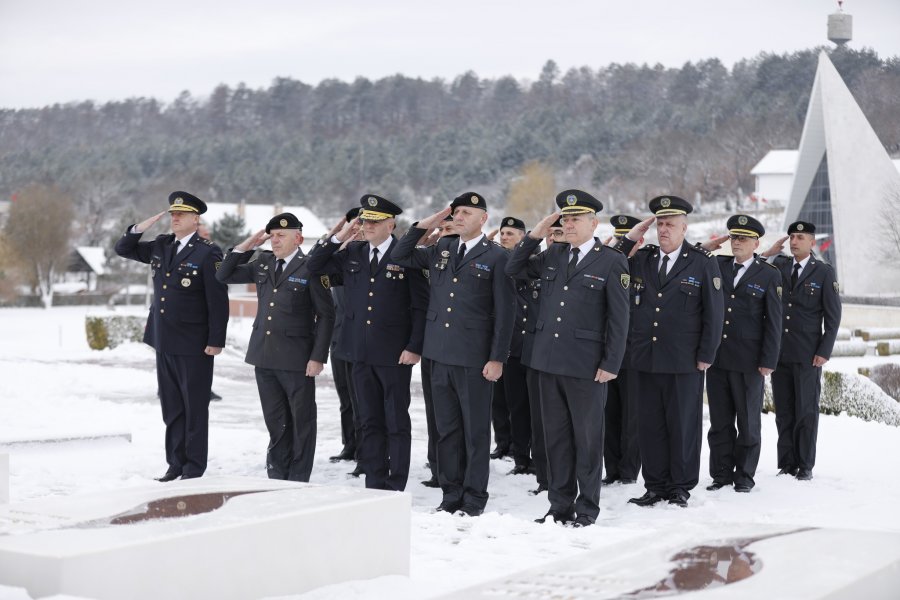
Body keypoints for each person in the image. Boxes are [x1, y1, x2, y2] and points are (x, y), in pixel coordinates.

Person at [506, 190, 630, 527]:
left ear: (594, 222)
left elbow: (619, 318)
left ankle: (587, 507)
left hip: (586, 365)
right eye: (565, 218)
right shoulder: (554, 255)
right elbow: (512, 267)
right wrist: (535, 234)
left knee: (587, 440)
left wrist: (611, 363)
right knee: (556, 439)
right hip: (548, 362)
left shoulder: (611, 260)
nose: (569, 224)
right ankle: (559, 505)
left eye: (576, 219)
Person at [391, 192, 515, 516]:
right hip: (437, 354)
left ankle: (474, 498)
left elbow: (505, 313)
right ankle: (450, 493)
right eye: (456, 212)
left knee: (474, 432)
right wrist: (428, 223)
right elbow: (401, 254)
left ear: (483, 218)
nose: (458, 217)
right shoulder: (443, 248)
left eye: (465, 213)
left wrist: (497, 358)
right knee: (445, 430)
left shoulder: (498, 257)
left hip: (474, 358)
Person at [307, 195, 428, 491]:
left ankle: (396, 480)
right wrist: (339, 237)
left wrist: (414, 346)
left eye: (374, 221)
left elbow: (420, 306)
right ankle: (374, 479)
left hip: (394, 354)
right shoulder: (354, 252)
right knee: (368, 418)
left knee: (396, 420)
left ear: (391, 223)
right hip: (358, 352)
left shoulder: (405, 254)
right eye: (364, 220)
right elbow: (314, 266)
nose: (367, 226)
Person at [616, 195, 724, 508]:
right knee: (649, 425)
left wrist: (707, 353)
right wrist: (632, 237)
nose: (664, 230)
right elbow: (613, 260)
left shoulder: (702, 262)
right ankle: (655, 484)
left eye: (670, 225)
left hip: (684, 360)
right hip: (646, 359)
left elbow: (713, 314)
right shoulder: (644, 258)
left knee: (682, 425)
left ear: (684, 228)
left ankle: (680, 485)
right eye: (660, 224)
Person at [114, 191, 229, 481]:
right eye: (172, 214)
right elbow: (123, 249)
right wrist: (143, 226)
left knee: (194, 408)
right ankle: (175, 464)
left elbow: (218, 300)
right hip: (163, 339)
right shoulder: (162, 245)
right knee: (172, 408)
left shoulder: (208, 252)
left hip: (194, 343)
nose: (175, 218)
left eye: (181, 214)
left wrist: (216, 340)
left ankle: (193, 467)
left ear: (195, 218)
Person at [215, 213, 335, 481]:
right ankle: (277, 472)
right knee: (275, 420)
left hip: (297, 358)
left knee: (301, 421)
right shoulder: (263, 263)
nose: (275, 240)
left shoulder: (310, 267)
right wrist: (247, 245)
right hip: (264, 354)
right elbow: (223, 275)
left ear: (299, 238)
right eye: (272, 235)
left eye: (281, 235)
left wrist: (318, 357)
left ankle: (298, 476)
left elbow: (326, 315)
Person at [705, 215, 782, 493]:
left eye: (743, 238)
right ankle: (721, 474)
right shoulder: (717, 265)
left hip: (749, 361)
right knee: (720, 422)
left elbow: (774, 322)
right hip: (718, 358)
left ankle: (745, 476)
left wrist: (768, 361)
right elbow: (692, 256)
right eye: (734, 237)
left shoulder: (769, 274)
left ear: (755, 243)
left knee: (748, 423)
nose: (736, 242)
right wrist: (711, 245)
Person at [764, 221, 841, 481]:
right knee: (784, 411)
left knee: (806, 411)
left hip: (808, 354)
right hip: (780, 353)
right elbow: (753, 269)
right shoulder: (780, 266)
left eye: (799, 237)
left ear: (811, 242)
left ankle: (805, 464)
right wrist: (769, 252)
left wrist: (824, 350)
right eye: (791, 237)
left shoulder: (823, 272)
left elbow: (833, 317)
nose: (793, 242)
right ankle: (787, 463)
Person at [520, 216, 563, 496]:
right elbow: (514, 266)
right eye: (550, 233)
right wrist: (534, 236)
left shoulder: (575, 265)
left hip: (564, 356)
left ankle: (564, 480)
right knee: (539, 422)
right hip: (534, 355)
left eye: (559, 233)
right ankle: (545, 478)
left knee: (562, 426)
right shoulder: (540, 263)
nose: (553, 238)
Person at [491, 216, 534, 475]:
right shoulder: (496, 260)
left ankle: (533, 455)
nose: (504, 237)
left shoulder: (533, 262)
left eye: (510, 233)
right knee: (506, 402)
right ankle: (514, 451)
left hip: (529, 344)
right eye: (502, 233)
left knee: (531, 407)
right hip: (507, 345)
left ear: (523, 237)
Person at [602, 214, 643, 486]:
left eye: (628, 238)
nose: (623, 244)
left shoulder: (645, 266)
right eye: (619, 238)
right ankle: (612, 468)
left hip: (635, 354)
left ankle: (628, 471)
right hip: (607, 352)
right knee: (610, 414)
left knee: (632, 417)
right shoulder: (609, 265)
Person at [326, 207, 363, 477]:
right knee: (345, 399)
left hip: (364, 342)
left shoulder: (370, 259)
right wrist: (333, 235)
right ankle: (349, 445)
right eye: (352, 226)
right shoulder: (337, 259)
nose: (356, 230)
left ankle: (366, 450)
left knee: (364, 401)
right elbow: (314, 259)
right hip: (339, 341)